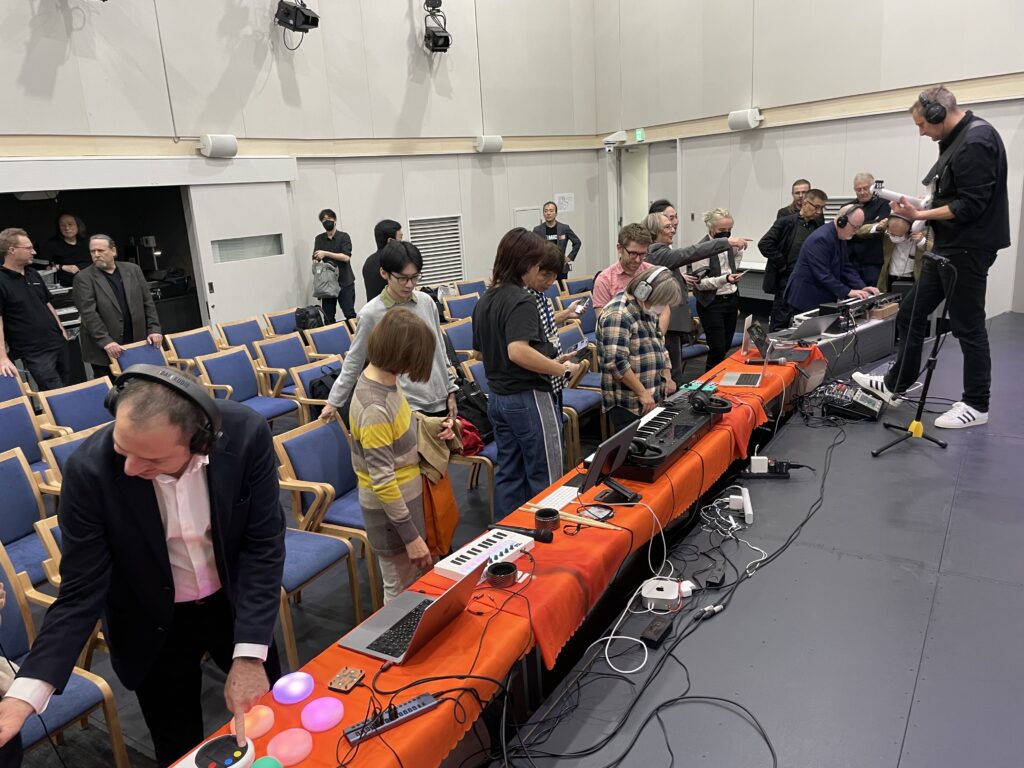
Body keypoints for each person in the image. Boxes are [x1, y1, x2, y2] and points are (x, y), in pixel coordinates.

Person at [0, 366, 285, 767]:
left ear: (199, 441)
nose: (131, 468)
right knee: (177, 746)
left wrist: (251, 655)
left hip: (236, 605)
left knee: (271, 722)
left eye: (151, 459)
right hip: (149, 623)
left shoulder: (245, 434)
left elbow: (262, 545)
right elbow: (80, 592)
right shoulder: (89, 471)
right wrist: (23, 696)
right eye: (123, 450)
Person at [853, 86, 1009, 429]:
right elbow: (949, 195)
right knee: (910, 313)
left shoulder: (976, 141)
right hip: (948, 246)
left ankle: (977, 404)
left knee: (968, 325)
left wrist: (922, 215)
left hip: (968, 248)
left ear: (938, 114)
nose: (921, 132)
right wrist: (918, 206)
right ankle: (896, 384)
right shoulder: (957, 139)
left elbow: (971, 205)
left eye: (922, 124)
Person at [471, 229, 580, 518]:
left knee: (509, 472)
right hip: (528, 396)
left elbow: (480, 354)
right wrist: (562, 369)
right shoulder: (522, 300)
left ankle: (510, 533)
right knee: (546, 475)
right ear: (525, 264)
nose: (538, 269)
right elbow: (517, 351)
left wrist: (544, 358)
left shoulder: (485, 300)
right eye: (536, 264)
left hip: (498, 398)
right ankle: (548, 537)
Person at [347, 310, 454, 602]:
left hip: (407, 505)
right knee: (400, 593)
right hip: (393, 520)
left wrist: (433, 424)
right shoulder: (374, 408)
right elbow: (382, 481)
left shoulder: (385, 383)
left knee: (417, 587)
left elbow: (403, 422)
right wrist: (411, 537)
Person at [321, 240, 458, 423]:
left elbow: (439, 350)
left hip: (441, 399)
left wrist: (451, 389)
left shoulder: (426, 302)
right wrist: (334, 402)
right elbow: (354, 360)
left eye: (415, 277)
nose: (409, 284)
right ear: (384, 273)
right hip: (407, 406)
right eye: (402, 278)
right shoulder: (371, 313)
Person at [644, 211, 751, 382]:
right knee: (672, 373)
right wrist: (726, 242)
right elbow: (692, 252)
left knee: (674, 371)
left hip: (674, 318)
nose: (673, 229)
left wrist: (680, 277)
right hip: (669, 319)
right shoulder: (657, 252)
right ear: (655, 231)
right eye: (668, 227)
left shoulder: (660, 252)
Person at [597, 266, 681, 431]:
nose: (661, 307)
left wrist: (667, 375)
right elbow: (616, 363)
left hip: (651, 394)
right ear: (644, 291)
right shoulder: (617, 315)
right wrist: (642, 392)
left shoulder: (645, 306)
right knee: (634, 445)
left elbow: (659, 341)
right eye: (660, 302)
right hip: (630, 402)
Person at [73, 234, 163, 380]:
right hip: (105, 349)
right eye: (92, 251)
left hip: (137, 341)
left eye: (101, 250)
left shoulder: (133, 270)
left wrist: (154, 329)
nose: (96, 255)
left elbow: (148, 302)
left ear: (113, 251)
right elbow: (88, 314)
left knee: (141, 384)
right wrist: (106, 341)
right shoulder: (83, 278)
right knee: (115, 388)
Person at [0, 228, 70, 391]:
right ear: (12, 250)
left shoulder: (33, 273)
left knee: (67, 387)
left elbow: (47, 303)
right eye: (29, 248)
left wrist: (61, 330)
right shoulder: (1, 280)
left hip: (57, 342)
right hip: (34, 351)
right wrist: (2, 357)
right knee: (55, 392)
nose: (34, 252)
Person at [784, 204, 879, 315]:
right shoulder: (821, 239)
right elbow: (823, 274)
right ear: (841, 222)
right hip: (806, 297)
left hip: (821, 295)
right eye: (855, 227)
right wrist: (848, 291)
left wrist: (862, 287)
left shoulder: (840, 236)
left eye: (859, 227)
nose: (856, 231)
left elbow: (845, 266)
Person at [758, 188, 827, 330]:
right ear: (805, 203)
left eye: (822, 208)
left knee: (804, 321)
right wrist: (782, 263)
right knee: (781, 319)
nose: (819, 211)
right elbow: (764, 244)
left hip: (808, 280)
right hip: (787, 279)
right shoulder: (786, 222)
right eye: (816, 207)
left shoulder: (818, 224)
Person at [686, 208, 746, 371]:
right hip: (711, 303)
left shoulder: (729, 244)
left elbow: (732, 266)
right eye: (722, 229)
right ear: (711, 227)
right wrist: (725, 279)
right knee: (717, 348)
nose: (726, 233)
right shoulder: (701, 248)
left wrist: (739, 251)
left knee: (725, 345)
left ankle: (717, 376)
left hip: (731, 299)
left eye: (729, 229)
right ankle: (709, 379)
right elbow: (700, 284)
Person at [591, 223, 658, 313]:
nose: (638, 260)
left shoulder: (653, 273)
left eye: (642, 254)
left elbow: (664, 310)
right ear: (619, 248)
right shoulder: (604, 280)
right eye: (633, 254)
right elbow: (602, 318)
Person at [859, 215, 931, 293]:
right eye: (892, 234)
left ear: (910, 230)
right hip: (889, 279)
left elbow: (934, 252)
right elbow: (860, 232)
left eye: (899, 235)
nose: (894, 237)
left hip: (913, 280)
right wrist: (878, 227)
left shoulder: (923, 235)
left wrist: (922, 241)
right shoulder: (888, 233)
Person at [847, 172, 892, 287]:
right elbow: (845, 230)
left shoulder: (884, 204)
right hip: (851, 262)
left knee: (872, 294)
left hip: (873, 262)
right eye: (858, 189)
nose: (862, 192)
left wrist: (855, 227)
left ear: (873, 187)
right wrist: (872, 225)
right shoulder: (848, 207)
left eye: (865, 188)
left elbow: (881, 227)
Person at [312, 208, 355, 323]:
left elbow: (346, 257)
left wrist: (326, 253)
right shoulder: (319, 239)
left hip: (345, 281)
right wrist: (317, 262)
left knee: (349, 314)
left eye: (329, 219)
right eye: (323, 220)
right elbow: (316, 259)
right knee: (328, 317)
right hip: (327, 284)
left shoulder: (344, 236)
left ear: (335, 220)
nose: (326, 222)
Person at [532, 201, 581, 281]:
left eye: (551, 211)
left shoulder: (564, 228)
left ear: (556, 213)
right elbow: (532, 248)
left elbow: (577, 243)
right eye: (546, 211)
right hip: (545, 268)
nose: (548, 213)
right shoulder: (537, 230)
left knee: (562, 288)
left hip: (561, 267)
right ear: (543, 213)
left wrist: (569, 257)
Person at [42, 213, 91, 288]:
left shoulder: (87, 242)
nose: (67, 228)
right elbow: (45, 266)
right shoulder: (52, 244)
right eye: (62, 225)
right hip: (65, 285)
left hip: (88, 281)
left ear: (78, 225)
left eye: (70, 224)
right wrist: (62, 267)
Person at [362, 219, 403, 303]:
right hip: (391, 309)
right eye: (400, 239)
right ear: (390, 241)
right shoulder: (394, 261)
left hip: (373, 308)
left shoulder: (368, 261)